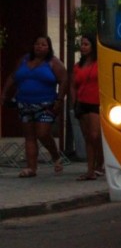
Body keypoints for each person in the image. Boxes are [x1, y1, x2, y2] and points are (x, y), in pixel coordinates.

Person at [0, 35, 67, 178]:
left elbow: (63, 80)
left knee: (42, 133)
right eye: (37, 44)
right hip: (24, 103)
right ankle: (31, 167)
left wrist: (60, 99)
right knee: (29, 135)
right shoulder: (24, 60)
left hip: (46, 104)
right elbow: (13, 76)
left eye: (43, 45)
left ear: (49, 48)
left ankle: (55, 155)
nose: (39, 47)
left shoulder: (53, 63)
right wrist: (4, 93)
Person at [70, 34, 103, 181]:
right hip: (82, 103)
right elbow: (73, 85)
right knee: (88, 138)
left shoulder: (100, 63)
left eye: (86, 44)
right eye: (82, 44)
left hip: (96, 103)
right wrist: (74, 100)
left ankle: (99, 163)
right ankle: (90, 170)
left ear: (93, 47)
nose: (83, 47)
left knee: (95, 135)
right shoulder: (77, 67)